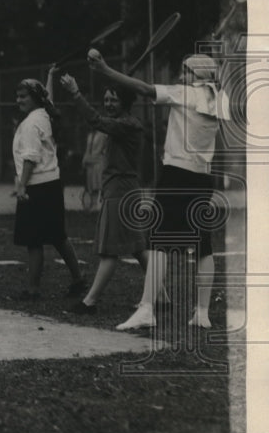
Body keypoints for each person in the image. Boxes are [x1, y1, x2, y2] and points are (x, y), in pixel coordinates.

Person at [88, 51, 225, 330]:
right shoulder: (219, 101)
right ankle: (201, 313)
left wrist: (105, 69)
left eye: (186, 71)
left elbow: (142, 88)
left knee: (159, 242)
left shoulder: (185, 93)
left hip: (176, 174)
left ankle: (147, 309)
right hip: (203, 178)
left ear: (197, 76)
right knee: (203, 247)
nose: (181, 76)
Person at [57, 73, 147, 314]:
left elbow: (95, 120)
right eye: (106, 100)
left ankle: (90, 301)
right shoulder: (125, 124)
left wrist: (76, 93)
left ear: (125, 103)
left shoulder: (125, 125)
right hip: (123, 191)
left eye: (113, 100)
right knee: (138, 248)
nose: (108, 104)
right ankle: (162, 296)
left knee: (110, 251)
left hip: (120, 192)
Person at [12, 77, 86, 300]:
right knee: (57, 236)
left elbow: (30, 157)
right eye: (18, 96)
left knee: (34, 240)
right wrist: (51, 75)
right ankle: (78, 279)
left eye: (24, 96)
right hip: (51, 184)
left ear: (35, 98)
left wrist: (22, 186)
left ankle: (33, 289)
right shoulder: (44, 115)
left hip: (37, 186)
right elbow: (48, 95)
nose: (19, 100)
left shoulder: (31, 123)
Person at [82, 128, 108, 211]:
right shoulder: (90, 135)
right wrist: (84, 160)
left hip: (99, 162)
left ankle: (101, 207)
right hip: (90, 162)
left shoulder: (103, 135)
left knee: (98, 185)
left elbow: (104, 149)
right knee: (91, 186)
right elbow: (87, 149)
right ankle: (93, 206)